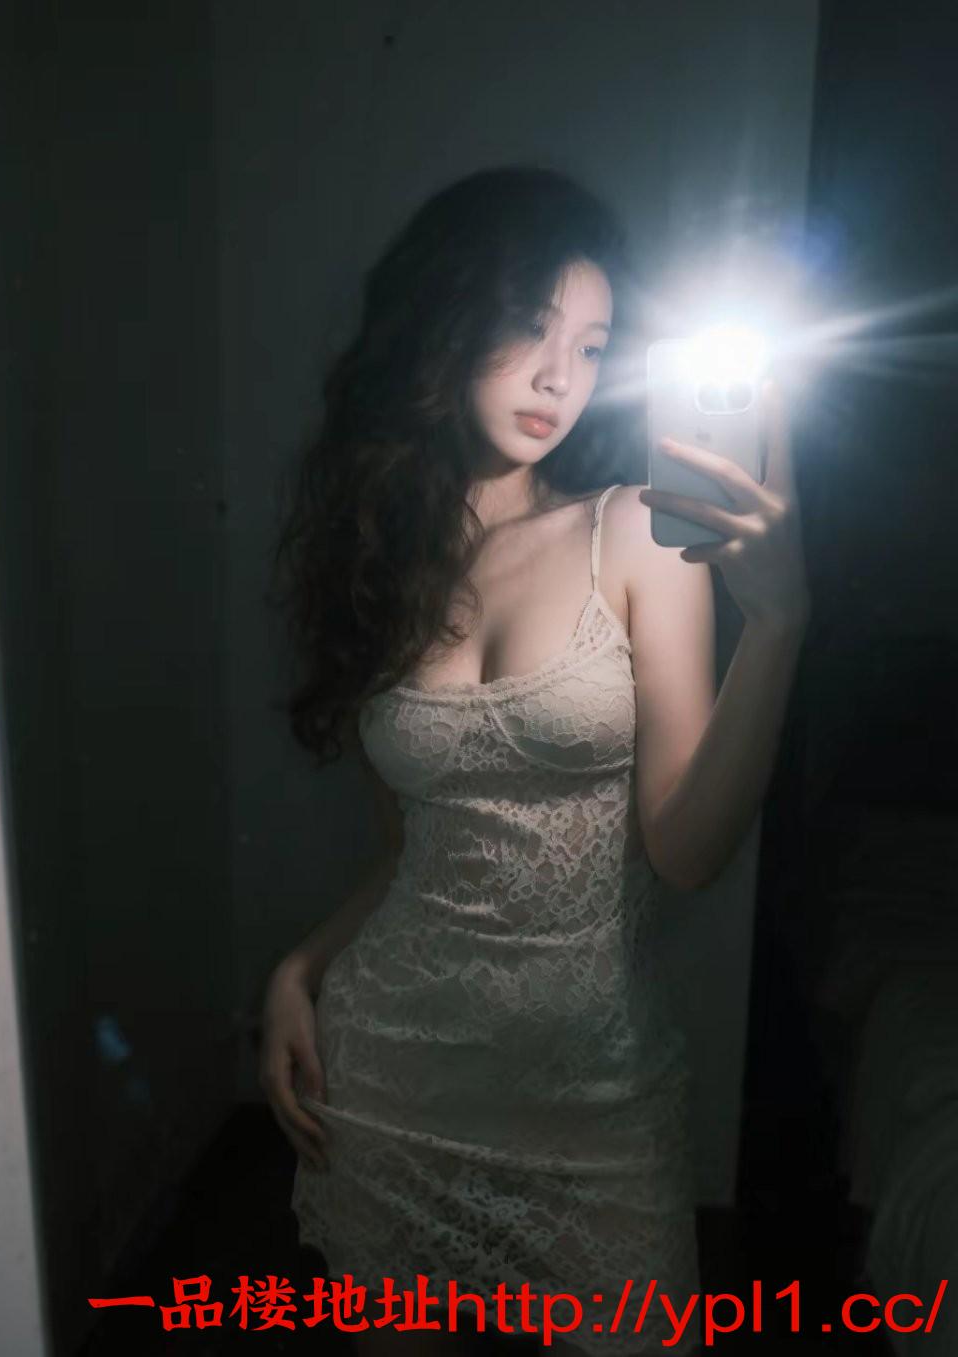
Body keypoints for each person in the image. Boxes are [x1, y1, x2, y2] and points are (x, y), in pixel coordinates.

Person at [259, 165, 811, 1357]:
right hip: (394, 1077)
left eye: (594, 346)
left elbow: (687, 851)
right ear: (445, 318)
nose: (561, 376)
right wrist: (297, 969)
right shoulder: (382, 564)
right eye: (530, 327)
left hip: (592, 1103)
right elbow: (413, 859)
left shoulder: (633, 529)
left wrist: (778, 623)